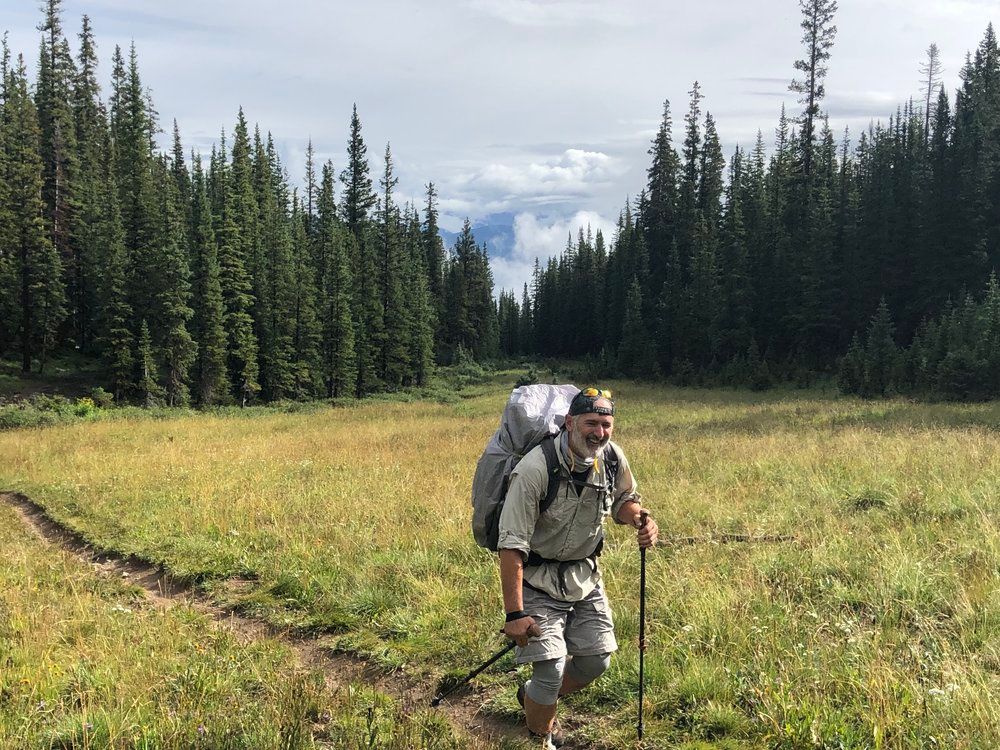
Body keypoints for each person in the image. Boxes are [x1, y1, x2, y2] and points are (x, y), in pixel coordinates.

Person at [497, 387, 659, 745]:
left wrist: (639, 519)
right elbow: (511, 545)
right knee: (551, 669)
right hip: (536, 580)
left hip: (584, 576)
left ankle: (533, 699)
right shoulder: (535, 469)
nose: (598, 433)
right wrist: (514, 614)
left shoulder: (612, 458)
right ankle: (540, 736)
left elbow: (622, 502)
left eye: (606, 424)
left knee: (596, 660)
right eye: (590, 423)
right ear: (570, 422)